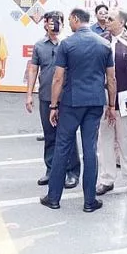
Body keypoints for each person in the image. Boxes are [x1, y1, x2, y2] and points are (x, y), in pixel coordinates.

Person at [41, 8, 116, 213]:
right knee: (90, 150)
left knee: (62, 147)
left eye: (70, 20)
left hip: (71, 103)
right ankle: (89, 201)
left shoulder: (67, 44)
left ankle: (53, 197)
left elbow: (58, 78)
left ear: (75, 19)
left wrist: (53, 105)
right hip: (95, 102)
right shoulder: (104, 44)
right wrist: (111, 105)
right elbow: (111, 79)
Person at [25, 11, 78, 190]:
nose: (54, 25)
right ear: (45, 24)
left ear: (63, 24)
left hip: (67, 98)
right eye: (50, 22)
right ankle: (51, 170)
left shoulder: (70, 44)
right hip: (46, 97)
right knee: (50, 135)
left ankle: (72, 172)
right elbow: (33, 70)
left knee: (68, 135)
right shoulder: (39, 46)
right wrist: (29, 95)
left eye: (58, 22)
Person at [96, 7, 127, 197]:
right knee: (105, 140)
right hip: (104, 101)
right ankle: (107, 179)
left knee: (126, 140)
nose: (106, 21)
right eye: (106, 18)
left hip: (125, 101)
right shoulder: (101, 41)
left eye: (110, 18)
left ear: (122, 22)